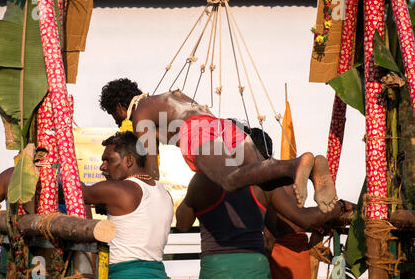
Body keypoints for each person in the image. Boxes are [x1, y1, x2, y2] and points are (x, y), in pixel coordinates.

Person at [99, 78, 337, 213]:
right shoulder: (166, 97)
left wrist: (124, 189)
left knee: (230, 180)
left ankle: (296, 164)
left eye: (114, 115)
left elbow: (151, 172)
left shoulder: (140, 115)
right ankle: (309, 170)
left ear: (120, 106)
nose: (119, 121)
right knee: (259, 177)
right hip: (222, 126)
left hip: (196, 131)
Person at [175, 124, 351, 279]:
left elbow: (182, 224)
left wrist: (195, 188)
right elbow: (303, 219)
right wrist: (340, 207)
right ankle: (299, 166)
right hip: (257, 264)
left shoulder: (202, 179)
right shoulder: (263, 184)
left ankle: (300, 167)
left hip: (218, 266)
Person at [80, 131, 174, 279]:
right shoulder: (164, 193)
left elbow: (76, 191)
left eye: (108, 160)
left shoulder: (120, 190)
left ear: (129, 160)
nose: (102, 166)